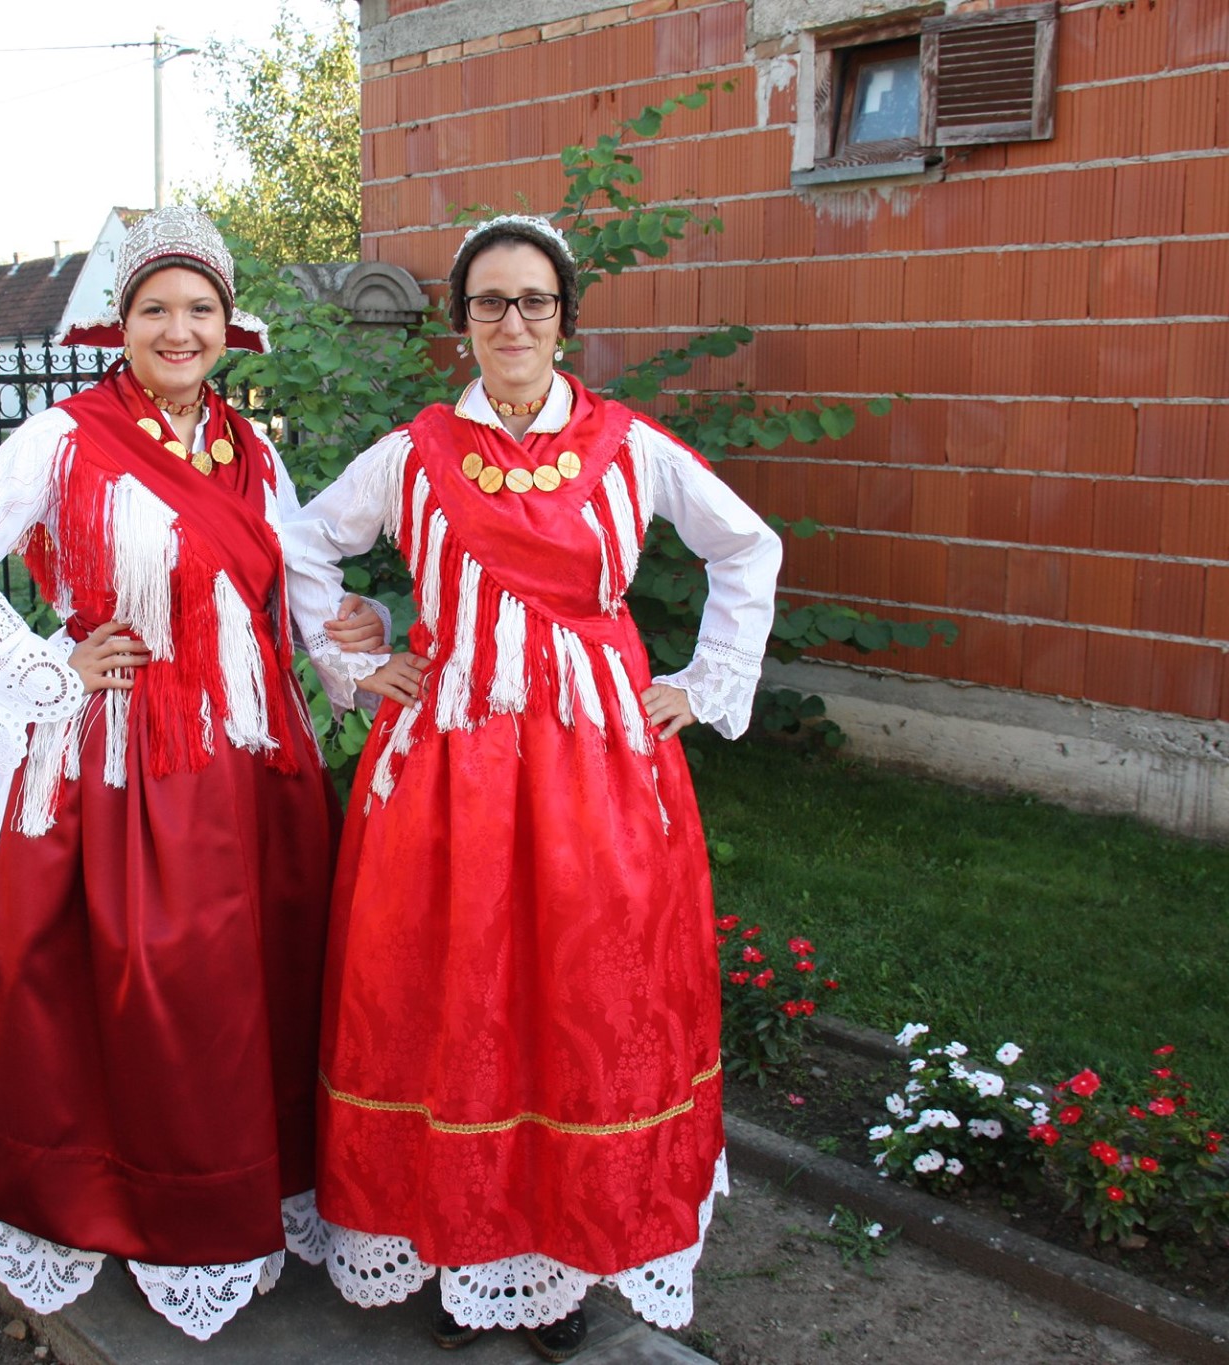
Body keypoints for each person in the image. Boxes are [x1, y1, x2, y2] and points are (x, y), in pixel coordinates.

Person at [287, 214, 782, 1362]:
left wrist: (703, 684)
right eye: (488, 302)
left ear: (564, 319)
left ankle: (561, 1261)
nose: (510, 322)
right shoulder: (411, 454)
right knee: (446, 997)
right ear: (460, 321)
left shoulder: (628, 446)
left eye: (533, 301)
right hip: (445, 768)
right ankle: (451, 1246)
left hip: (593, 772)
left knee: (581, 1002)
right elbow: (302, 545)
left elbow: (744, 548)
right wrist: (356, 658)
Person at [0, 207, 382, 1340]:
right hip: (121, 759)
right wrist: (46, 666)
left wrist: (354, 644)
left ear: (228, 327)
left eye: (199, 308)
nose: (178, 329)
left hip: (254, 763)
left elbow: (302, 594)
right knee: (141, 984)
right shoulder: (62, 440)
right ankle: (126, 1202)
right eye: (156, 308)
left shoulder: (254, 456)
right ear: (120, 323)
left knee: (252, 989)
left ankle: (246, 1200)